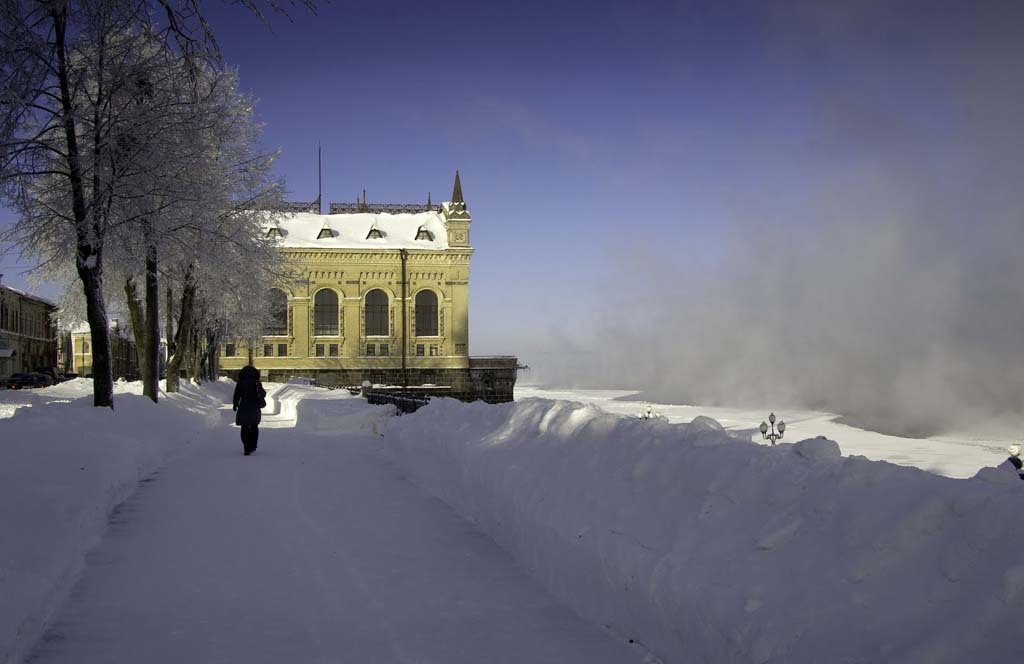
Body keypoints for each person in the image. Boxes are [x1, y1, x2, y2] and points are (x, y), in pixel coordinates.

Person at [232, 365, 266, 456]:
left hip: (243, 406)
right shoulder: (256, 382)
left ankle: (246, 447)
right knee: (254, 426)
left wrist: (235, 405)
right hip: (255, 407)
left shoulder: (240, 382)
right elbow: (263, 393)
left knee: (244, 427)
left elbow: (236, 395)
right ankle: (253, 445)